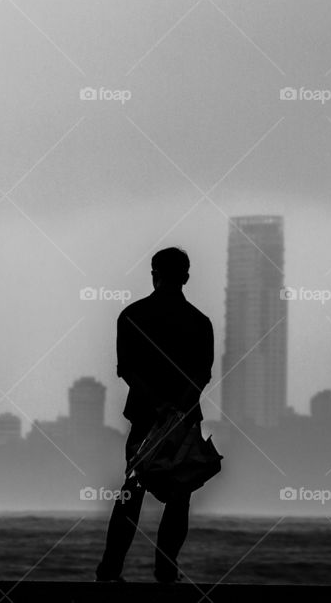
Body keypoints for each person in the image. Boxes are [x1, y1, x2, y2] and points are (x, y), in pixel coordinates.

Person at [96, 247, 214, 584]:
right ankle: (166, 570)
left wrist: (158, 405)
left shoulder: (132, 315)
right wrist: (178, 407)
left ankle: (109, 570)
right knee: (179, 498)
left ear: (153, 273)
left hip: (145, 417)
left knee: (131, 491)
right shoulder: (199, 322)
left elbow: (127, 371)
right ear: (186, 276)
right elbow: (202, 375)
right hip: (185, 420)